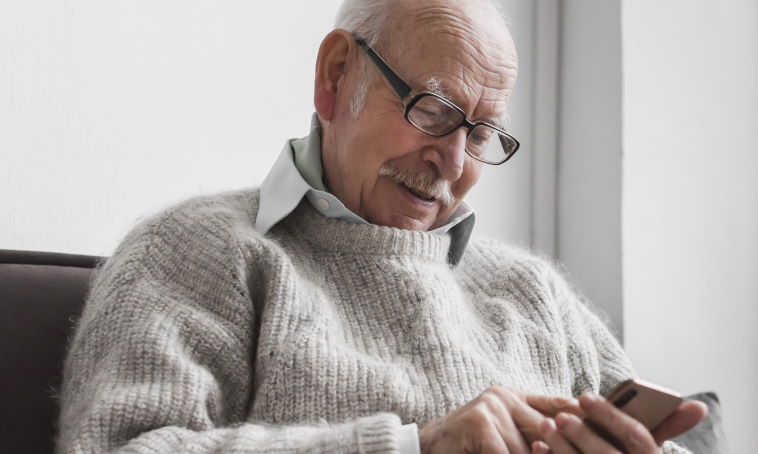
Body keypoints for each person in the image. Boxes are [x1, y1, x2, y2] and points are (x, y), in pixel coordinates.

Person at [56, 0, 706, 452]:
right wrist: (413, 448)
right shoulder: (198, 251)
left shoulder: (535, 293)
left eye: (480, 132)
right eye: (433, 110)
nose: (452, 161)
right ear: (336, 77)